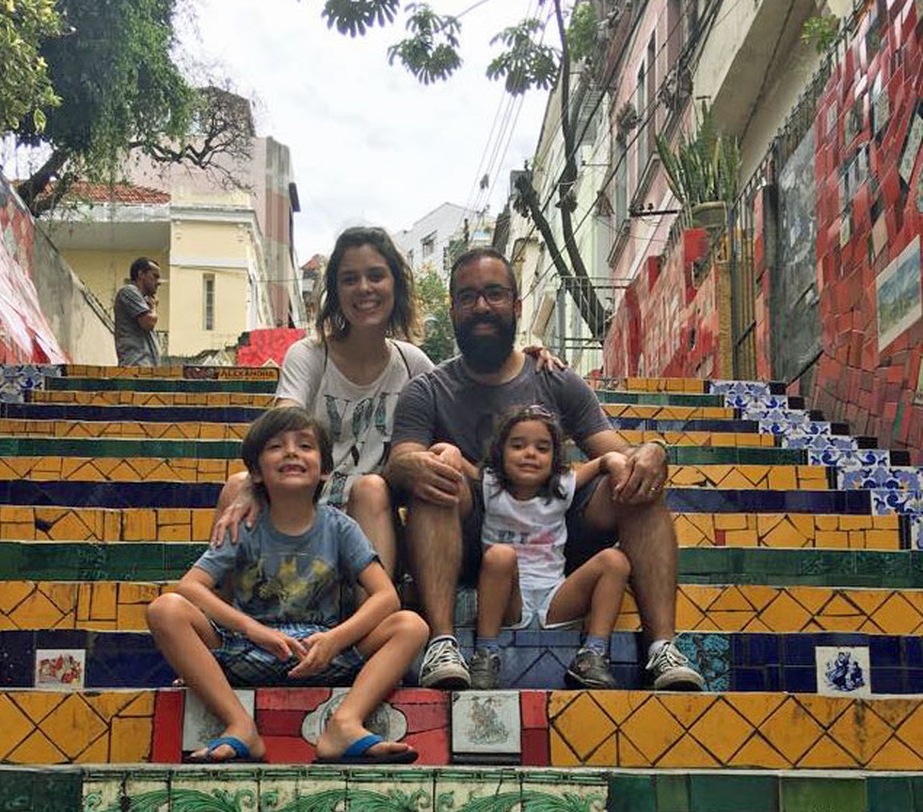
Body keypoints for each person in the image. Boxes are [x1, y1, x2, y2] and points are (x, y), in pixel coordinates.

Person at [386, 246, 704, 693]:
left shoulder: (555, 378)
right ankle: (443, 643)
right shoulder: (427, 390)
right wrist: (428, 462)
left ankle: (661, 649)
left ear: (517, 306)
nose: (482, 306)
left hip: (557, 540)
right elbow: (400, 462)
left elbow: (618, 452)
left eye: (494, 293)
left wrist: (653, 451)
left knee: (637, 483)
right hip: (470, 543)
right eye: (468, 296)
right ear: (453, 308)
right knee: (433, 478)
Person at [213, 226, 560, 580]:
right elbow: (281, 427)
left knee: (371, 488)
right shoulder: (309, 355)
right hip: (305, 507)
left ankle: (376, 610)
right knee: (236, 486)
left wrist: (525, 356)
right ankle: (221, 606)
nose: (364, 288)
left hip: (375, 518)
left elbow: (468, 384)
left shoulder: (413, 364)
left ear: (395, 286)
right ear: (336, 291)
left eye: (376, 276)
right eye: (350, 279)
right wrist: (253, 485)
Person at [146, 405, 429, 764]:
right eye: (276, 446)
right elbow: (191, 587)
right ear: (255, 472)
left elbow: (386, 596)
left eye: (305, 445)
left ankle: (345, 724)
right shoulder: (243, 525)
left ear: (325, 469)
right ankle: (240, 726)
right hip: (247, 648)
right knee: (165, 609)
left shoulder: (340, 527)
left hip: (322, 651)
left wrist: (336, 639)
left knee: (411, 625)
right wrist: (252, 629)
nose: (292, 452)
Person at [458, 404, 632, 690]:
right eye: (518, 446)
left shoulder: (562, 487)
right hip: (508, 600)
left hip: (555, 598)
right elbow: (458, 463)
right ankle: (486, 652)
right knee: (500, 555)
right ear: (501, 452)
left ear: (554, 457)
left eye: (542, 448)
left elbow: (601, 463)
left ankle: (592, 655)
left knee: (615, 561)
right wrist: (447, 451)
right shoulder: (490, 484)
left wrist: (614, 459)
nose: (530, 454)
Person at [114, 256, 161, 366]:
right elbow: (149, 322)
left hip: (145, 368)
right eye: (154, 276)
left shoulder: (142, 300)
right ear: (141, 274)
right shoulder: (129, 291)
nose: (158, 282)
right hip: (135, 366)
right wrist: (154, 307)